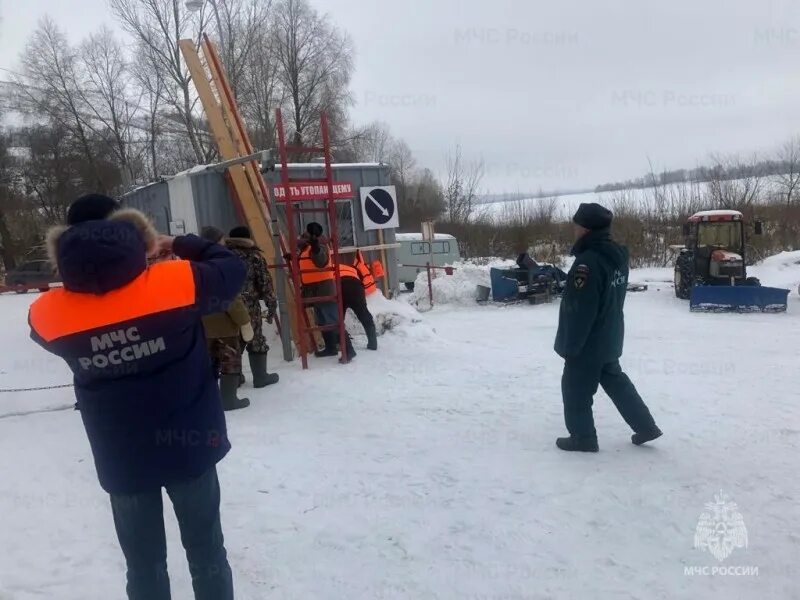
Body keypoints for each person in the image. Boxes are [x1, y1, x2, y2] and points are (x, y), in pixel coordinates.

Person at [28, 194, 245, 600]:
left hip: (122, 459)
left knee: (143, 566)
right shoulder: (177, 283)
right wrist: (177, 244)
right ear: (132, 232)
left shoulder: (48, 314)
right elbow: (233, 267)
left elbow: (45, 336)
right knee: (207, 553)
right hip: (191, 448)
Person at [554, 202, 662, 452]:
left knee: (575, 388)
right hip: (609, 336)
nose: (574, 230)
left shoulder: (587, 263)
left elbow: (581, 310)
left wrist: (571, 346)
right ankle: (646, 426)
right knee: (617, 382)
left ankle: (583, 438)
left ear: (586, 229)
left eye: (577, 225)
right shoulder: (615, 256)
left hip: (588, 342)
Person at [200, 226, 254, 411]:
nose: (225, 244)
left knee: (208, 364)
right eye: (222, 241)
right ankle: (229, 400)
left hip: (203, 327)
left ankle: (209, 399)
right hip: (225, 327)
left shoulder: (193, 265)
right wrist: (244, 321)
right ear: (216, 243)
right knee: (230, 362)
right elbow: (232, 298)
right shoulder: (221, 264)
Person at [226, 226, 280, 387]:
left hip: (225, 305)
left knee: (232, 341)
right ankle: (260, 377)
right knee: (255, 338)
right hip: (248, 305)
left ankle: (234, 379)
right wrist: (271, 304)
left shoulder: (222, 257)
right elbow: (265, 284)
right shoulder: (254, 257)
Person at [296, 221, 356, 363]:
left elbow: (321, 261)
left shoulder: (319, 245)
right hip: (314, 290)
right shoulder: (307, 247)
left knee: (333, 321)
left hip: (324, 289)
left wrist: (316, 247)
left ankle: (349, 350)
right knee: (322, 321)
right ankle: (331, 348)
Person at [338, 251, 378, 351]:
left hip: (340, 287)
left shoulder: (331, 267)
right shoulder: (352, 268)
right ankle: (373, 344)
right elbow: (363, 279)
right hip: (356, 286)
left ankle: (341, 344)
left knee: (338, 319)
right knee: (364, 315)